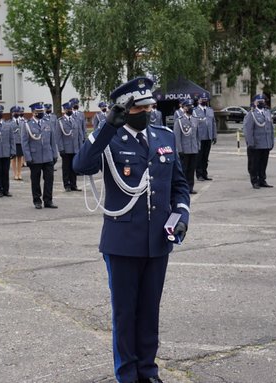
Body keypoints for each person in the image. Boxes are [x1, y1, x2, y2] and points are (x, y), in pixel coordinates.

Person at [73, 77, 190, 383]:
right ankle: (127, 374)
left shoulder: (164, 136)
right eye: (142, 107)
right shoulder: (109, 138)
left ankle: (148, 371)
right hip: (122, 241)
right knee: (126, 314)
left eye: (151, 106)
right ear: (126, 109)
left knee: (150, 311)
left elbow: (179, 185)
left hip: (157, 241)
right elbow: (81, 165)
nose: (149, 111)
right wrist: (105, 127)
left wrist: (181, 213)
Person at [21, 102, 58, 209]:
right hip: (35, 157)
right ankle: (37, 200)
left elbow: (52, 140)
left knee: (49, 179)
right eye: (38, 112)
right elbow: (25, 143)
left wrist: (54, 154)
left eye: (42, 111)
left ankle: (48, 200)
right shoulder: (27, 124)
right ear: (33, 112)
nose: (41, 113)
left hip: (48, 156)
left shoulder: (48, 123)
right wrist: (28, 157)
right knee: (35, 180)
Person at [242, 94, 274, 189]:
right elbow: (248, 130)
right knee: (254, 164)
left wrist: (271, 141)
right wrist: (250, 143)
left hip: (266, 143)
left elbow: (271, 129)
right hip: (256, 144)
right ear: (255, 103)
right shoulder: (251, 114)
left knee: (263, 163)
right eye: (259, 102)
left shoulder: (267, 113)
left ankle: (262, 180)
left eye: (263, 101)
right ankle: (254, 180)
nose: (261, 103)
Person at [55, 101, 84, 192]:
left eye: (71, 109)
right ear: (64, 110)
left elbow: (80, 135)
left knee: (73, 167)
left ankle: (73, 184)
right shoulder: (60, 121)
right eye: (68, 109)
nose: (70, 111)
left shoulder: (76, 119)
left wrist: (80, 147)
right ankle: (66, 185)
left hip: (75, 148)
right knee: (66, 168)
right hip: (66, 149)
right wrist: (61, 149)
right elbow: (58, 136)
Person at [174, 98, 200, 194]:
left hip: (194, 149)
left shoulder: (195, 119)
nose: (190, 108)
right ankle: (183, 188)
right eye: (188, 107)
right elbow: (177, 137)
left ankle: (190, 187)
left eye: (191, 106)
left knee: (192, 170)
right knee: (184, 170)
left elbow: (197, 135)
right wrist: (179, 150)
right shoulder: (179, 121)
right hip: (184, 150)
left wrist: (198, 146)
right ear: (184, 108)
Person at [194, 92, 217, 182]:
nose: (204, 101)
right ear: (198, 100)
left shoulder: (210, 110)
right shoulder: (195, 111)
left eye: (205, 99)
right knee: (199, 157)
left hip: (208, 136)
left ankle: (205, 173)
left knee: (205, 157)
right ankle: (199, 174)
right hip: (199, 137)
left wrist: (214, 135)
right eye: (202, 99)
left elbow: (213, 123)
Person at [9, 106, 26, 181]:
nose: (16, 113)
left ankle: (19, 173)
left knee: (20, 158)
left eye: (17, 112)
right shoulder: (9, 122)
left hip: (21, 142)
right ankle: (15, 173)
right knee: (13, 159)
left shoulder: (23, 122)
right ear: (12, 113)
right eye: (15, 112)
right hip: (13, 143)